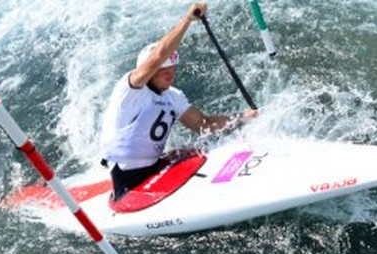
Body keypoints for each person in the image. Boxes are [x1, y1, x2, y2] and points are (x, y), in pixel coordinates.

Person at [99, 2, 258, 200]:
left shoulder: (173, 96)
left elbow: (203, 124)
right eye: (163, 70)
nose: (170, 74)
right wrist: (187, 20)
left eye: (172, 68)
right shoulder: (130, 90)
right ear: (149, 71)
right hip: (126, 179)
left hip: (155, 166)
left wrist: (244, 117)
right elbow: (157, 57)